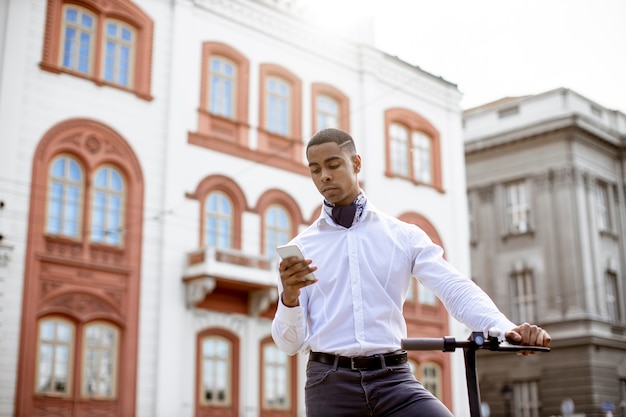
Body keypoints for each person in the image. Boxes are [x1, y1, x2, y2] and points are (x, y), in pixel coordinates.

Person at [271, 128, 551, 417]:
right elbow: (289, 344)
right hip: (329, 385)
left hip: (393, 380)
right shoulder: (299, 249)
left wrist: (504, 328)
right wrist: (289, 299)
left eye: (333, 164)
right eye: (315, 170)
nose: (324, 176)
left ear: (356, 164)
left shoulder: (402, 235)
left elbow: (454, 288)